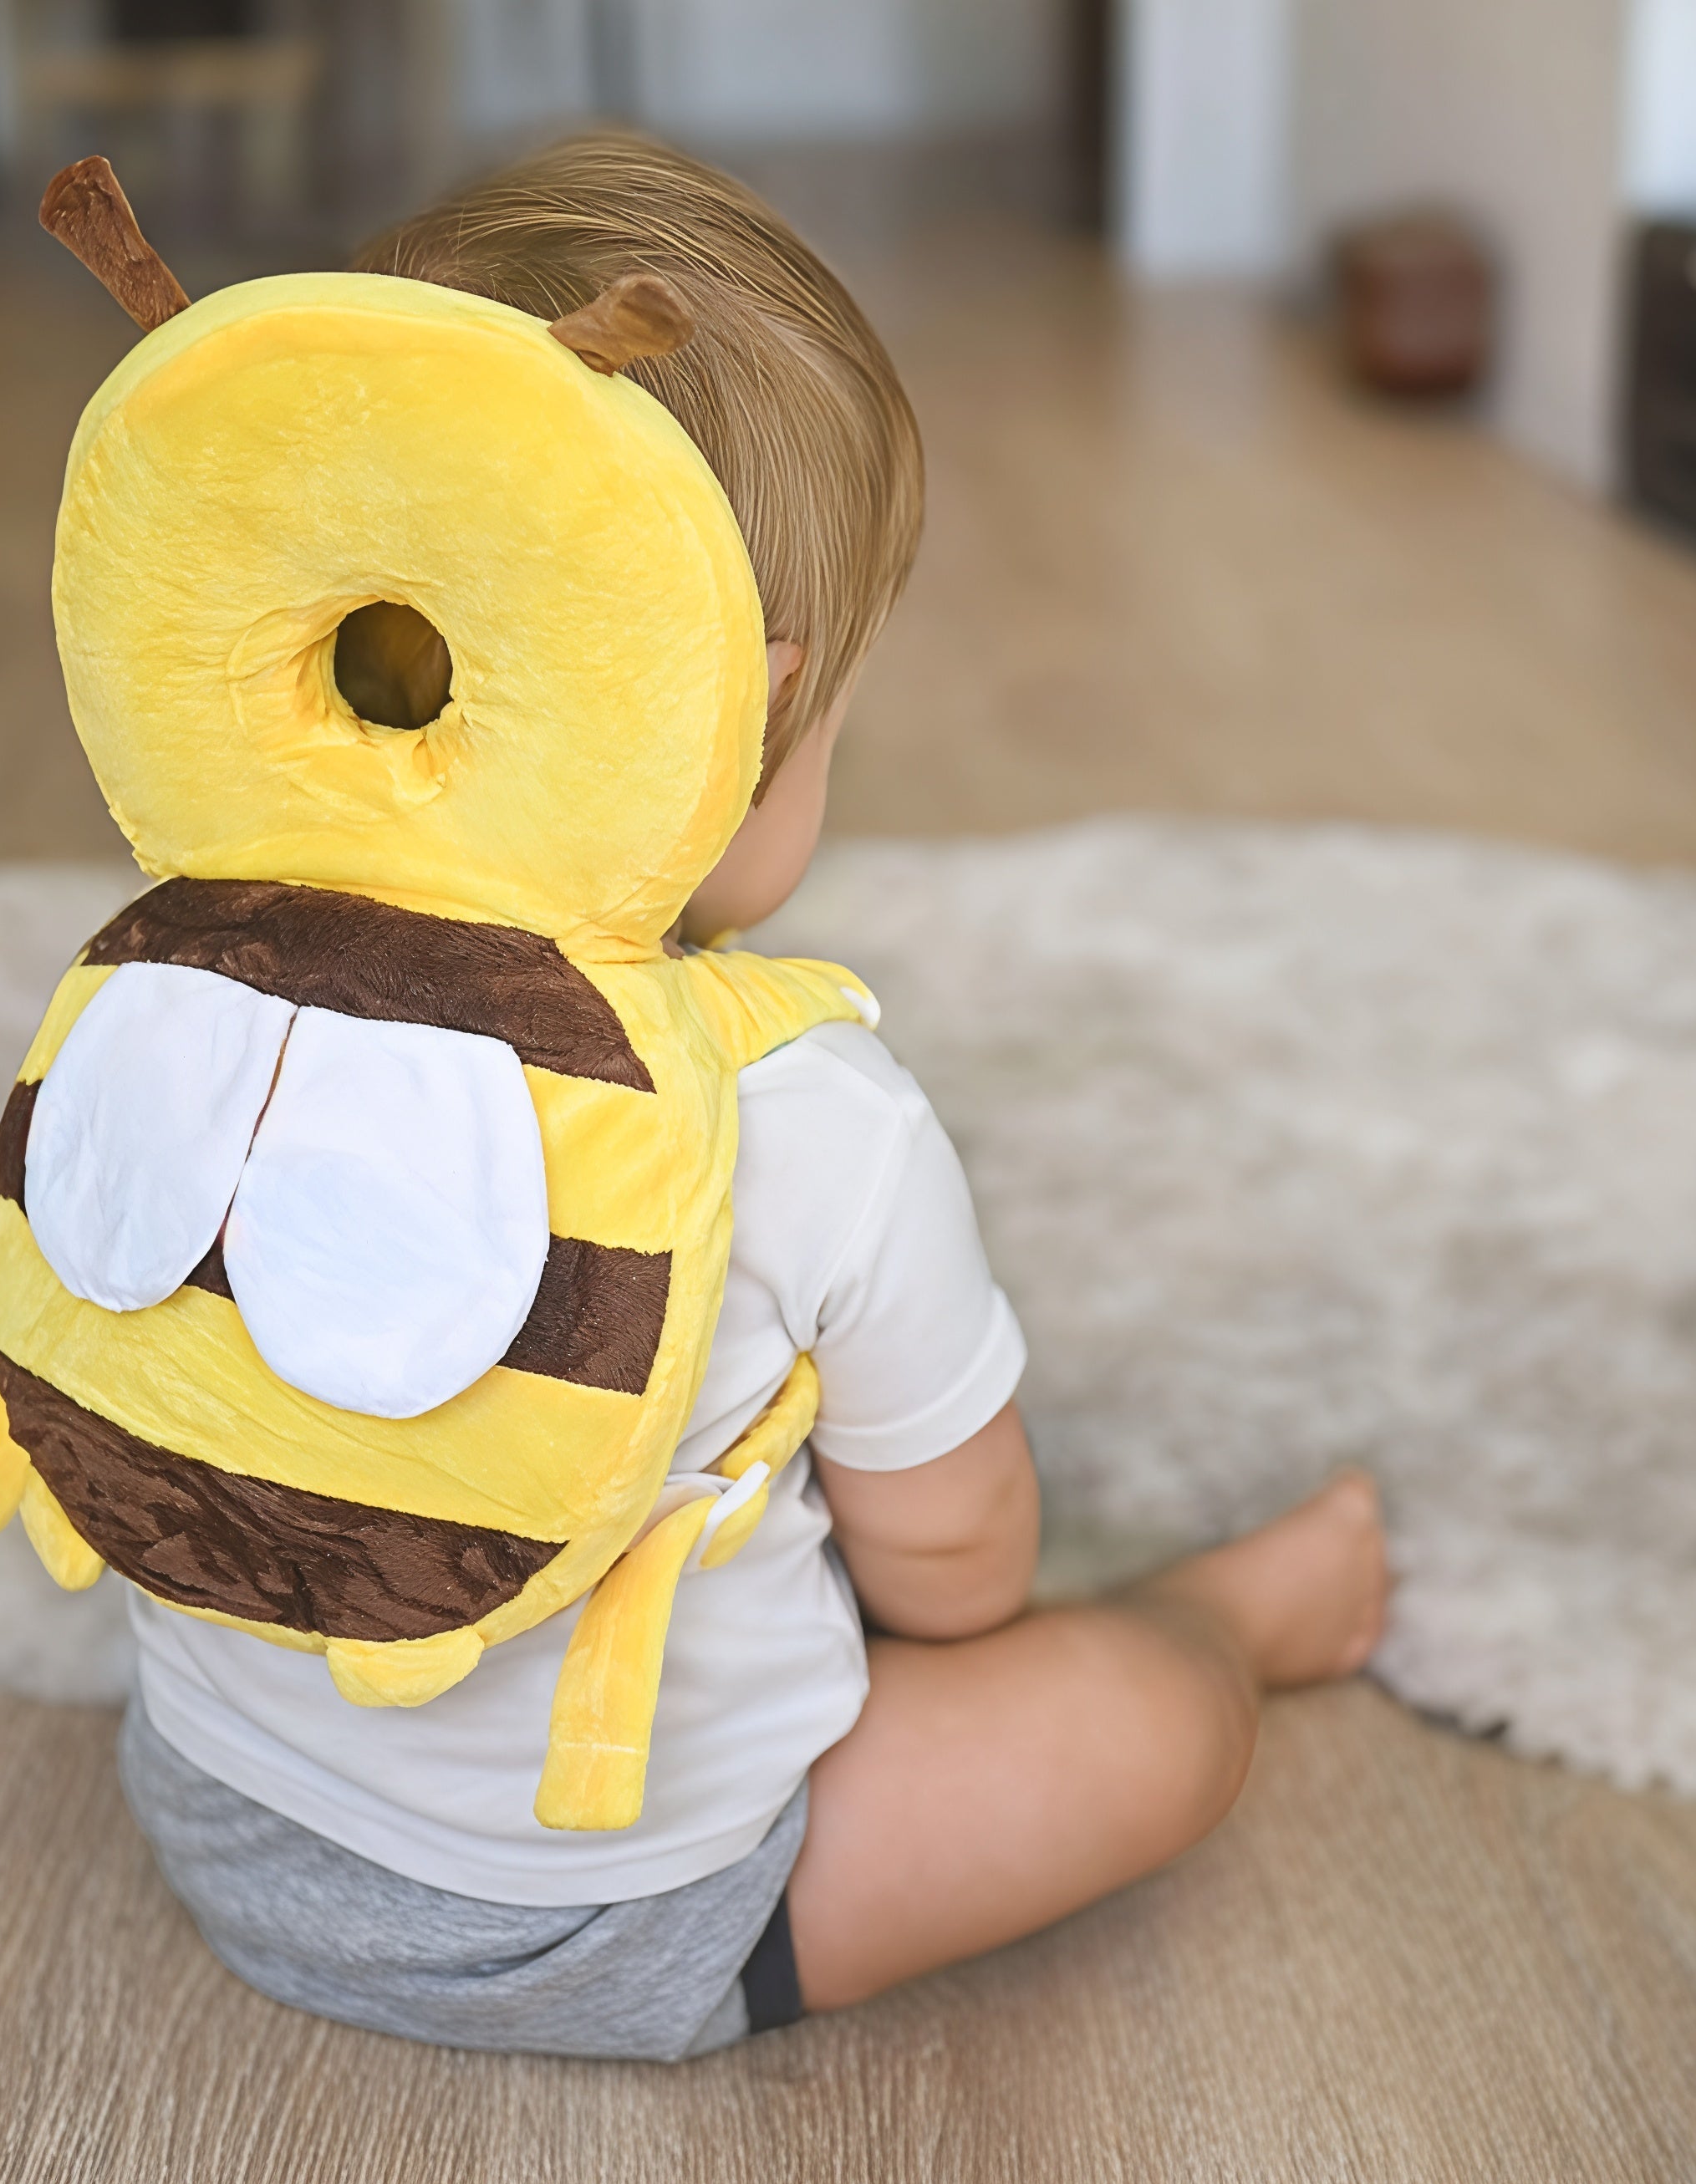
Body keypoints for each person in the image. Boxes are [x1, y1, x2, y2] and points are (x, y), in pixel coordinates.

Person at [118, 133, 1389, 2059]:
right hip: (626, 1912)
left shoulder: (170, 992)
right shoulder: (801, 1113)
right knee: (1136, 1724)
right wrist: (971, 1625)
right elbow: (958, 1568)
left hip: (210, 1815)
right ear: (746, 718)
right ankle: (1238, 1616)